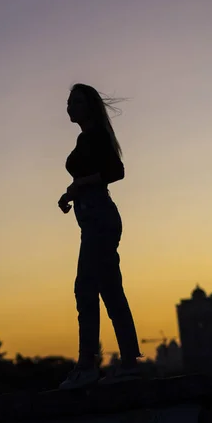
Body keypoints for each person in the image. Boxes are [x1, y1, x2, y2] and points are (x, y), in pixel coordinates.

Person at [58, 83, 142, 389]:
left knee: (86, 288)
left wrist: (80, 186)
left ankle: (87, 364)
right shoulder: (85, 139)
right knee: (107, 289)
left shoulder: (97, 136)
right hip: (92, 217)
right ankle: (129, 362)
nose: (69, 107)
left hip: (100, 219)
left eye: (75, 102)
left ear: (90, 106)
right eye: (68, 103)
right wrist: (71, 193)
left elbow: (116, 171)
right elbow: (90, 177)